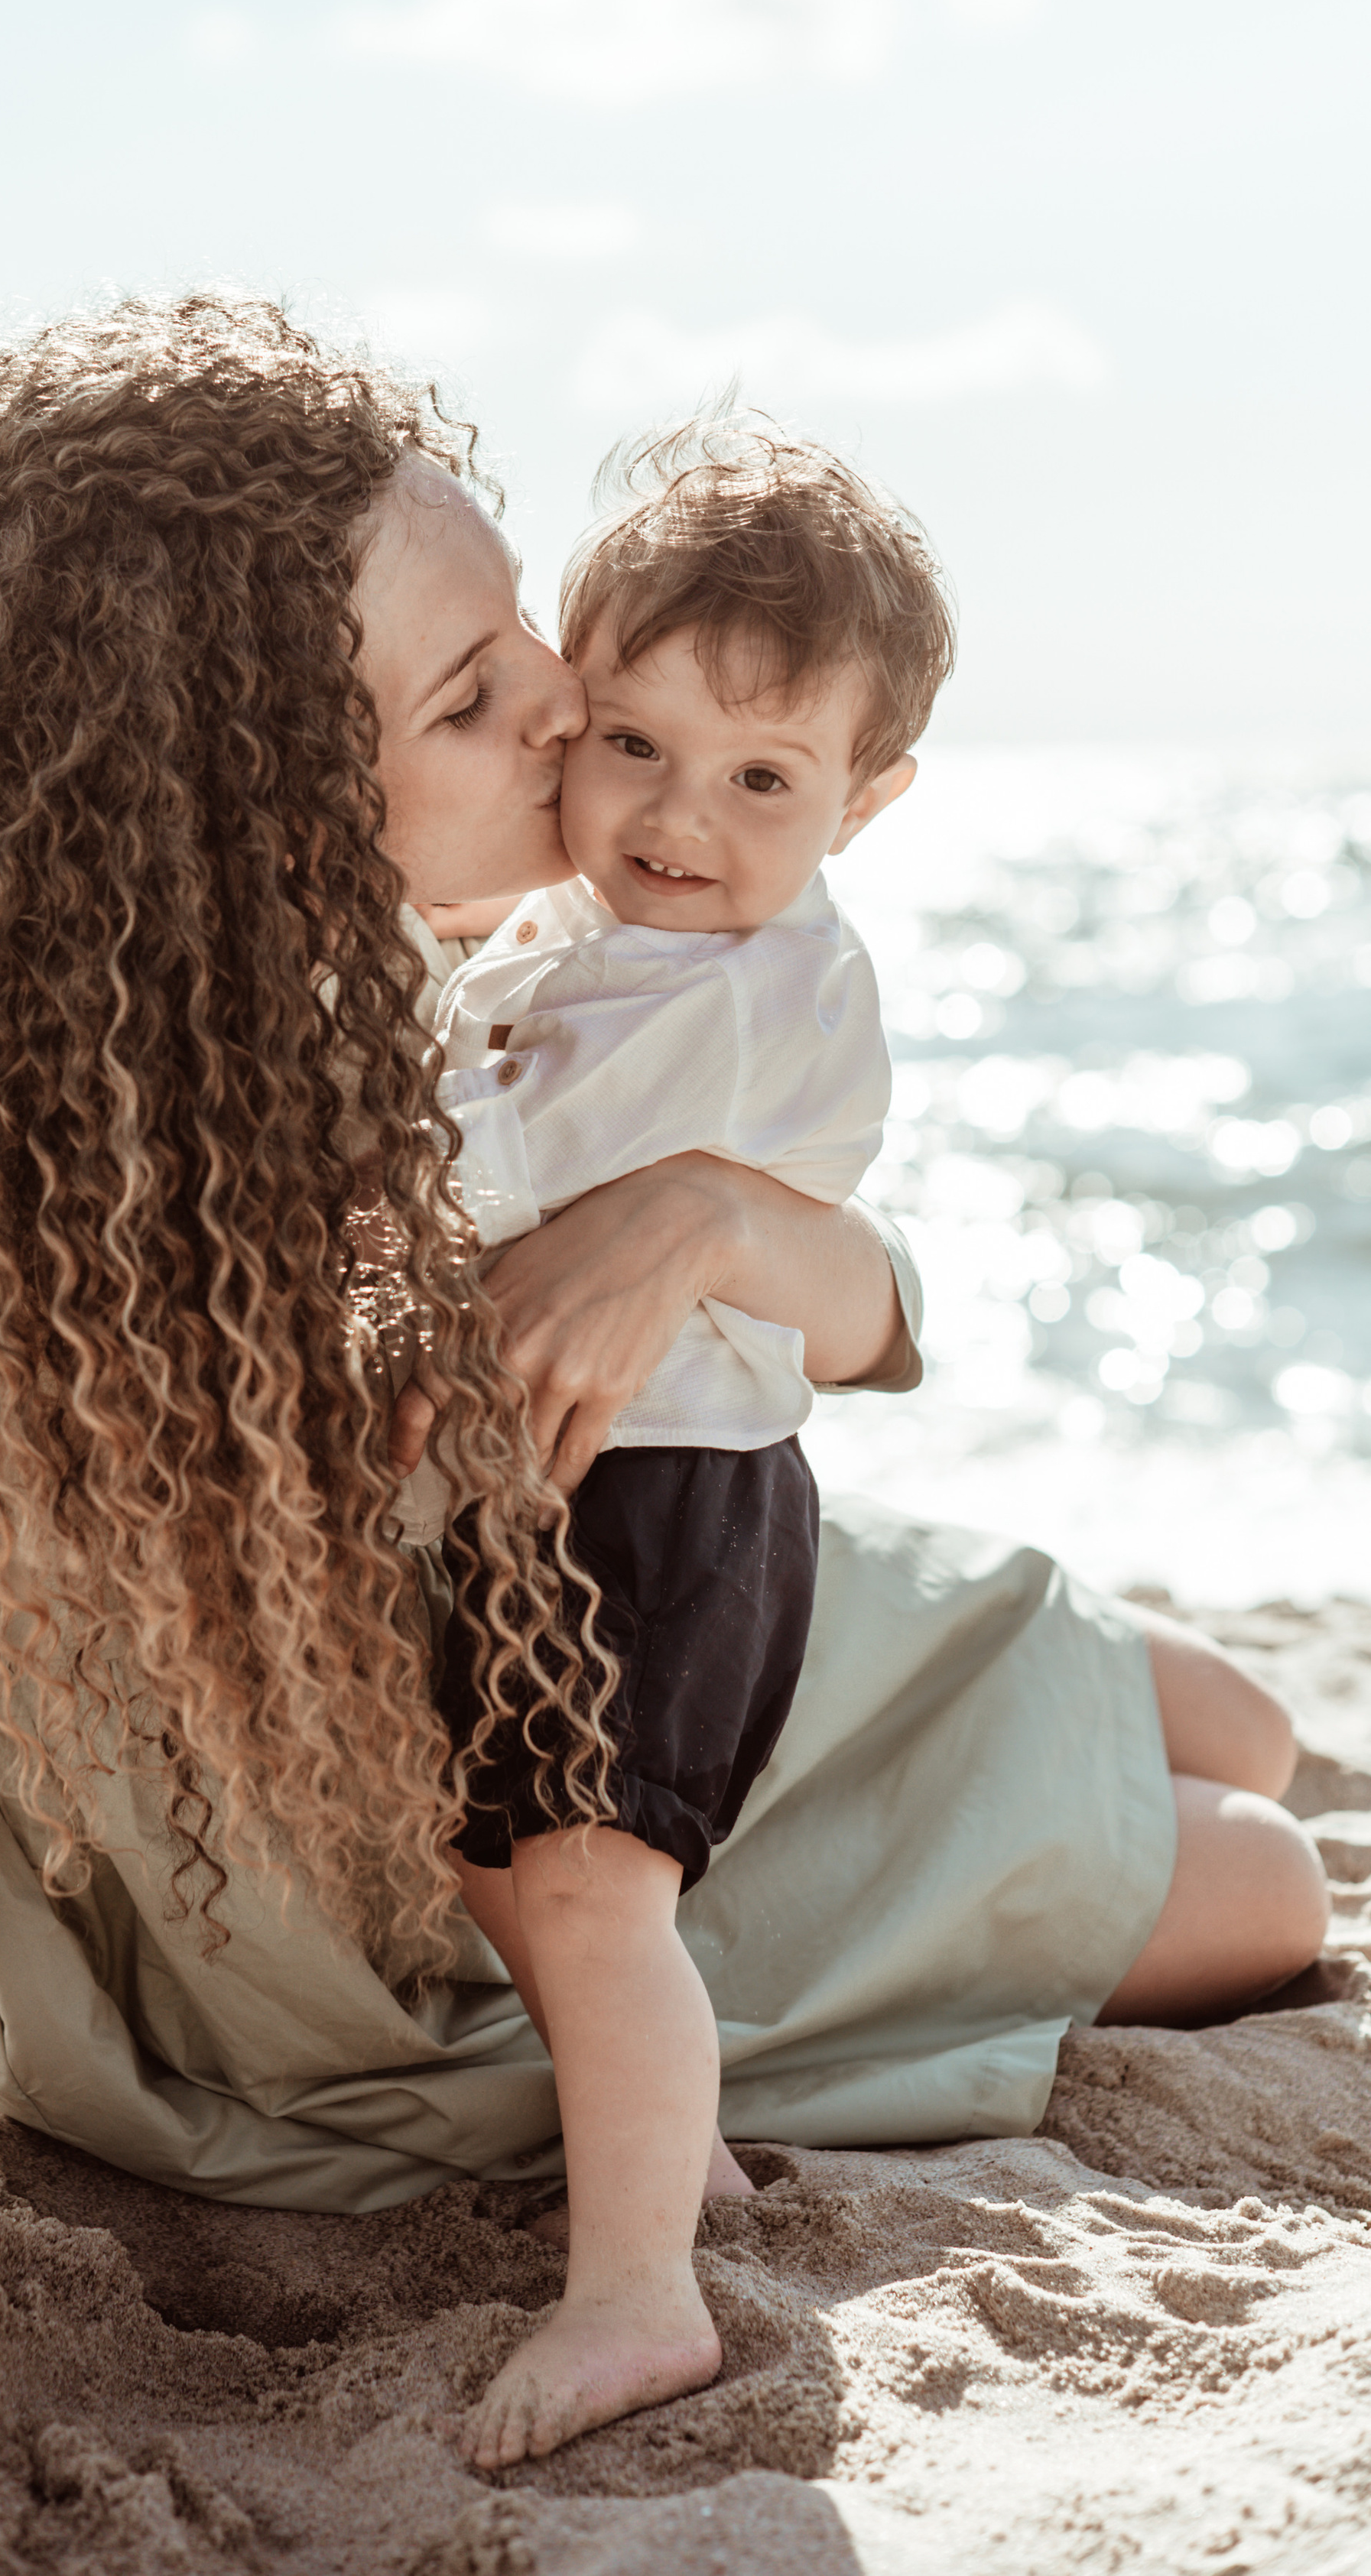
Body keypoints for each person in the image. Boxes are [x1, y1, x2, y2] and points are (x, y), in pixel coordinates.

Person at [0, 297, 1327, 2471]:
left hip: (608, 1560)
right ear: (255, 797)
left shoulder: (457, 934)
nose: (570, 700)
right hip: (361, 1852)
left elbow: (857, 1317)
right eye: (474, 699)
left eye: (517, 632)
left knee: (1248, 1718)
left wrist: (710, 1223)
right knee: (1267, 1890)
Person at [429, 423, 950, 2466]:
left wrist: (367, 1074)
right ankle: (677, 2156)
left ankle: (640, 2294)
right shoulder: (598, 937)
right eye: (631, 743)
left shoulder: (753, 989)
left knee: (585, 1884)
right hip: (563, 1486)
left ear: (866, 802)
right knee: (508, 1862)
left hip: (659, 1507)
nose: (677, 817)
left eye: (762, 780)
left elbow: (500, 1177)